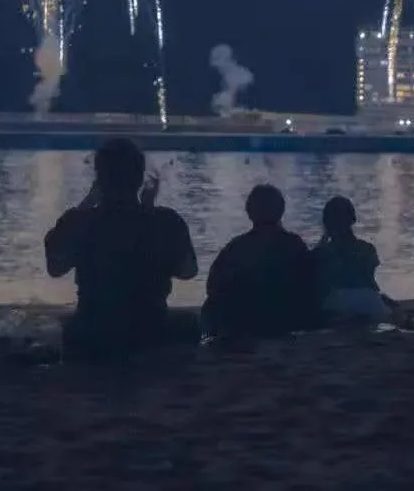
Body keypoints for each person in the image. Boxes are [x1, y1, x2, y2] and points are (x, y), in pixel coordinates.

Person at [44, 137, 199, 361]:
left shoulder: (82, 222)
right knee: (190, 323)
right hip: (151, 328)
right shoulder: (165, 221)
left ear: (99, 180)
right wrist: (149, 213)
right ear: (139, 179)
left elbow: (55, 267)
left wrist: (85, 204)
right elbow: (188, 271)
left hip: (94, 330)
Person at [202, 184, 317, 343]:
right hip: (287, 319)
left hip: (244, 322)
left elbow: (213, 286)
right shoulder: (294, 244)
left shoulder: (237, 247)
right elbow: (310, 284)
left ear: (250, 212)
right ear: (280, 211)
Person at [312, 194, 414, 329]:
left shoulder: (323, 252)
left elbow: (319, 283)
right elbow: (370, 283)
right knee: (388, 313)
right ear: (353, 219)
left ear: (326, 222)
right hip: (367, 300)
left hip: (336, 301)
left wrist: (324, 238)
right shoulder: (366, 249)